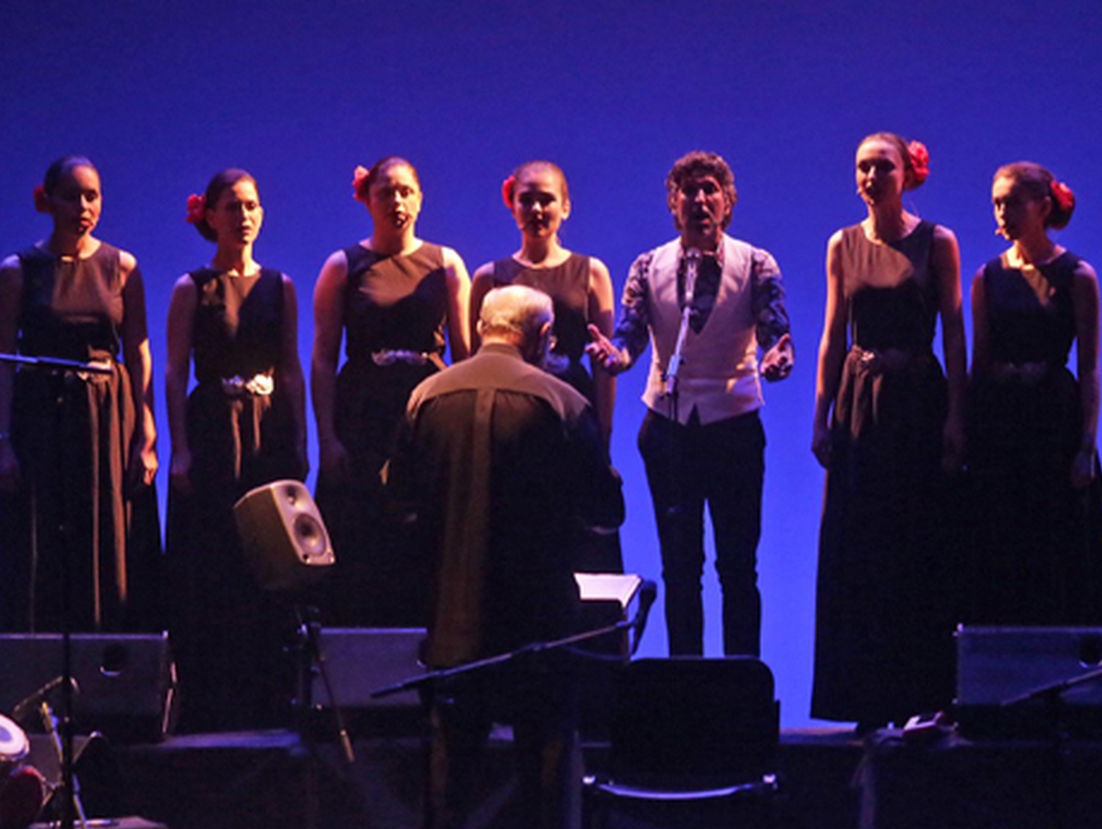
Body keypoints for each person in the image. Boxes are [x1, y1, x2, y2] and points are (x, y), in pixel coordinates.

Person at [385, 285, 624, 829]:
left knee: (447, 785)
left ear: (483, 326)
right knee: (545, 775)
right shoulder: (563, 401)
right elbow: (605, 511)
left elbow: (398, 500)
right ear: (542, 339)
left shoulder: (425, 395)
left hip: (450, 622)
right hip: (537, 626)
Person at [587, 150, 794, 657]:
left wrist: (778, 355)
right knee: (681, 567)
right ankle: (687, 681)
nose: (700, 200)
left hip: (734, 426)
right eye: (689, 191)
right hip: (669, 430)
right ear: (673, 203)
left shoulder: (756, 263)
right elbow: (630, 338)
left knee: (738, 566)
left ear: (727, 202)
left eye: (710, 190)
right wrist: (615, 356)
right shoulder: (647, 266)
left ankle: (741, 680)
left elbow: (775, 331)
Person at [808, 133, 968, 726]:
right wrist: (820, 414)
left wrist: (957, 413)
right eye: (863, 167)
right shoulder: (843, 244)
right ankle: (864, 699)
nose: (872, 177)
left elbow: (953, 332)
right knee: (860, 548)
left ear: (908, 174)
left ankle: (921, 696)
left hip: (916, 403)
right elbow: (833, 334)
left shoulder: (936, 242)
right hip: (859, 404)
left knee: (914, 544)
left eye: (883, 166)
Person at [0, 155, 162, 633]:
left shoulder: (123, 267)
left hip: (108, 419)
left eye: (92, 196)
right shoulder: (19, 271)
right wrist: (1, 443)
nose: (83, 206)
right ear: (48, 201)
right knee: (42, 545)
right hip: (42, 420)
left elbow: (139, 352)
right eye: (72, 196)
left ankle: (115, 679)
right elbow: (3, 362)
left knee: (110, 540)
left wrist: (147, 433)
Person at [163, 169, 308, 731]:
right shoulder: (192, 287)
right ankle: (210, 700)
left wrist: (297, 437)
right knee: (214, 556)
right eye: (233, 206)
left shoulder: (281, 285)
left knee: (269, 554)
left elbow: (291, 367)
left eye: (252, 205)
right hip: (212, 428)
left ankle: (269, 697)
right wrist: (178, 448)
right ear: (212, 216)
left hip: (265, 430)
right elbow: (175, 373)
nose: (244, 216)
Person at [311, 157, 471, 626]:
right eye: (385, 192)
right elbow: (323, 357)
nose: (396, 202)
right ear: (367, 199)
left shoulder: (446, 263)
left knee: (426, 531)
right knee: (365, 533)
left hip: (427, 413)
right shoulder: (345, 265)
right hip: (363, 414)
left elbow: (465, 353)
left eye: (405, 192)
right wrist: (327, 438)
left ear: (420, 199)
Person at [966, 161, 1102, 625]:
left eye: (1012, 202)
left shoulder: (1076, 275)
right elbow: (980, 360)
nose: (1002, 212)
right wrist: (969, 430)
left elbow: (1089, 367)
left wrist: (1087, 445)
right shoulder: (987, 276)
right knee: (1002, 544)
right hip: (1002, 421)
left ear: (1043, 206)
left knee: (1052, 542)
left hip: (1051, 420)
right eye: (997, 203)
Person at [471, 160, 621, 570]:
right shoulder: (489, 276)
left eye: (546, 200)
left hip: (571, 418)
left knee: (579, 530)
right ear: (513, 206)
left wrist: (604, 437)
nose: (537, 209)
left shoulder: (591, 273)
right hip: (510, 422)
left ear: (565, 207)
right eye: (527, 200)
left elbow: (604, 364)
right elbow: (473, 362)